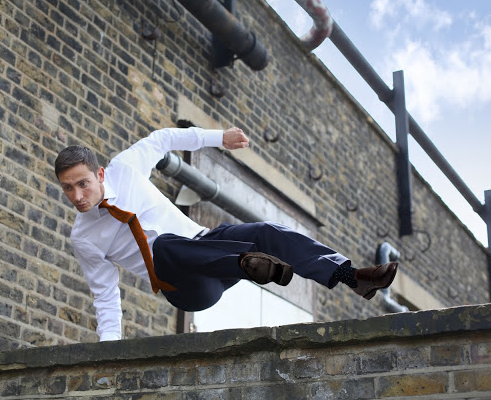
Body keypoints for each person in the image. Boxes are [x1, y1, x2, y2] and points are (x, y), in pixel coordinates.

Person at [55, 126, 398, 341]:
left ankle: (351, 276)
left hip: (209, 246)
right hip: (187, 286)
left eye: (83, 184)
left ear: (101, 174)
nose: (77, 196)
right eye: (68, 188)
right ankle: (248, 263)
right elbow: (105, 294)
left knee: (265, 231)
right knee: (165, 247)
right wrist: (109, 349)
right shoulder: (84, 237)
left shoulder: (126, 168)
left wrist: (218, 138)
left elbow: (163, 138)